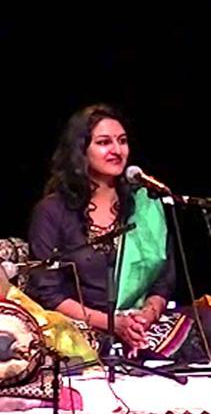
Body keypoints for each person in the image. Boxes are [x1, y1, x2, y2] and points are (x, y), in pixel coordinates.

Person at [27, 103, 192, 357]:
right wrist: (112, 324)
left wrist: (145, 317)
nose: (117, 150)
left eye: (122, 141)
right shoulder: (52, 211)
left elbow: (163, 281)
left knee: (209, 324)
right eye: (104, 142)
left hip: (140, 325)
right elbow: (48, 293)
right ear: (81, 151)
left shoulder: (144, 204)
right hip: (81, 328)